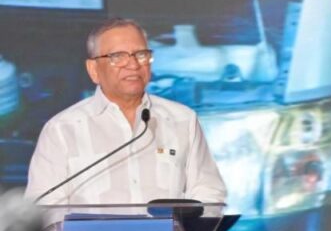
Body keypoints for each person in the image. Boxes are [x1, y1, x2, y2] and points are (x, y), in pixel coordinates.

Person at [25, 18, 226, 206]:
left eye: (141, 55)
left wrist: (191, 224)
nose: (133, 64)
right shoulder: (61, 129)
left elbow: (209, 190)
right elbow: (43, 206)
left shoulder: (183, 119)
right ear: (94, 69)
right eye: (117, 57)